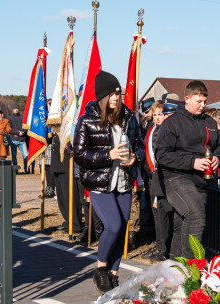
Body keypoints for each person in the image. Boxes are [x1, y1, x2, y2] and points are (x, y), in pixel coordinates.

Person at [73, 71, 144, 293]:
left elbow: (140, 144)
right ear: (103, 97)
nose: (116, 97)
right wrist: (108, 155)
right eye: (112, 94)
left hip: (124, 181)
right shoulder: (87, 120)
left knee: (122, 228)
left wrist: (135, 158)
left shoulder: (130, 117)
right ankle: (100, 268)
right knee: (113, 226)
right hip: (99, 182)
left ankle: (113, 273)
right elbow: (79, 155)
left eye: (118, 93)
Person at [156, 80, 220, 258]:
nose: (203, 105)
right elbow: (162, 155)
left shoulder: (209, 122)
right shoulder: (172, 123)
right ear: (186, 99)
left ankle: (175, 266)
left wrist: (218, 157)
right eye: (198, 101)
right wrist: (191, 162)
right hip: (176, 178)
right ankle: (190, 267)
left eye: (205, 101)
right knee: (196, 216)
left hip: (201, 181)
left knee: (183, 224)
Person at [141, 100, 170, 262]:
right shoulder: (151, 130)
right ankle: (159, 246)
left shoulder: (166, 131)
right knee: (155, 214)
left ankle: (164, 248)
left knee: (162, 214)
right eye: (156, 114)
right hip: (151, 177)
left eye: (161, 114)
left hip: (162, 178)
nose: (158, 118)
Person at [8, 104, 29, 174]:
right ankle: (15, 170)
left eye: (17, 108)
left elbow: (26, 126)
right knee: (14, 156)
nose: (16, 110)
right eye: (15, 108)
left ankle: (26, 169)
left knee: (26, 155)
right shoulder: (10, 118)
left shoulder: (23, 118)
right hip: (14, 139)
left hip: (22, 139)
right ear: (12, 110)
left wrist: (22, 132)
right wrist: (17, 133)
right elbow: (9, 128)